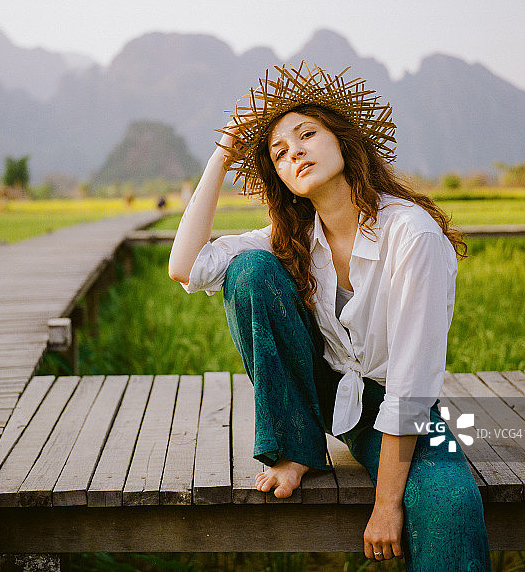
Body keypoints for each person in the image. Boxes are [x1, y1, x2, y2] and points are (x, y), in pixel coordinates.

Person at [169, 62, 490, 570]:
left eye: (307, 134)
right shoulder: (295, 240)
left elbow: (410, 386)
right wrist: (222, 154)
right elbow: (185, 266)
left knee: (447, 503)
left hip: (394, 405)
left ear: (343, 141)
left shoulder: (412, 235)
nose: (293, 151)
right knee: (249, 270)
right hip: (325, 387)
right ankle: (294, 448)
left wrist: (386, 506)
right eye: (278, 152)